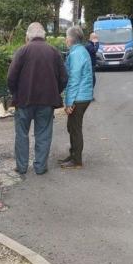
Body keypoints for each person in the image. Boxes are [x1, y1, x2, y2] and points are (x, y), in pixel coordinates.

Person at [8, 22, 68, 175]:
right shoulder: (54, 52)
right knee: (43, 134)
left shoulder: (22, 51)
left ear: (28, 36)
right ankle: (40, 167)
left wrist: (15, 93)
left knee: (21, 134)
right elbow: (64, 78)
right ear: (44, 35)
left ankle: (21, 167)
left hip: (23, 101)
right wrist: (55, 91)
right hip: (47, 101)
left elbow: (11, 77)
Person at [60, 26, 94, 169]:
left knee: (75, 128)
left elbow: (74, 79)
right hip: (82, 95)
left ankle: (76, 160)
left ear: (70, 39)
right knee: (72, 126)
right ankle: (73, 154)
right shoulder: (79, 51)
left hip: (79, 97)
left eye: (66, 37)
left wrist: (68, 103)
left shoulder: (77, 54)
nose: (65, 39)